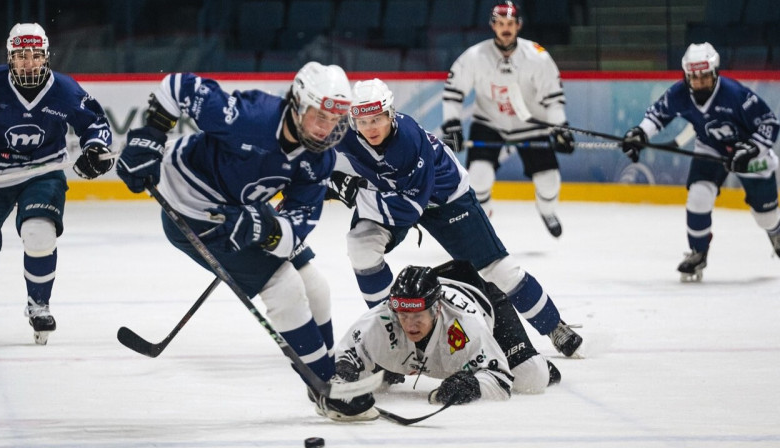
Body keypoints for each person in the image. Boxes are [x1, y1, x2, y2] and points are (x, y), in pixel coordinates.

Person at [115, 62, 351, 385]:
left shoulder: (319, 159)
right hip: (189, 204)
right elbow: (177, 86)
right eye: (320, 116)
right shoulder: (250, 117)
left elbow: (295, 229)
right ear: (297, 104)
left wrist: (265, 229)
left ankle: (329, 368)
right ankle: (325, 384)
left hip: (240, 207)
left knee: (315, 287)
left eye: (335, 119)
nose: (326, 128)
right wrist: (152, 135)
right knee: (285, 287)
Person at [327, 78, 584, 360]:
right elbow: (309, 162)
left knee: (497, 269)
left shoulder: (409, 140)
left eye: (378, 118)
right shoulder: (342, 133)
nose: (370, 128)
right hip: (392, 197)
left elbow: (409, 207)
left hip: (444, 199)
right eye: (363, 122)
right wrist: (332, 180)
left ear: (391, 114)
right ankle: (393, 336)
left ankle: (553, 326)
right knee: (361, 248)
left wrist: (352, 192)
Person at [0, 23, 114, 344]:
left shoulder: (64, 91)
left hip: (44, 173)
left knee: (39, 233)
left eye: (36, 55)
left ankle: (38, 304)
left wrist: (95, 149)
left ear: (46, 57)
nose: (29, 62)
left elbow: (95, 123)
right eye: (22, 56)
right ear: (10, 58)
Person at [314, 260, 560, 422]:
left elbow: (501, 380)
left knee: (531, 378)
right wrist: (341, 376)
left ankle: (533, 359)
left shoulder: (465, 324)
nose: (410, 324)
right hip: (433, 312)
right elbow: (342, 359)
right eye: (403, 315)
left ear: (437, 309)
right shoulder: (380, 319)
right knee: (364, 379)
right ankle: (388, 366)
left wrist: (472, 386)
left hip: (485, 299)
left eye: (418, 316)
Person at [622, 43, 780, 282]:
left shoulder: (736, 94)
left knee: (765, 216)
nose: (699, 83)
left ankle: (775, 231)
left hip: (749, 151)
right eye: (694, 78)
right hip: (711, 149)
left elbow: (769, 123)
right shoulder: (680, 93)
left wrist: (752, 149)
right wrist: (640, 133)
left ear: (715, 73)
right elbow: (658, 114)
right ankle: (698, 252)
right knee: (698, 195)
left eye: (704, 77)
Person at [441, 1, 574, 237]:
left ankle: (547, 210)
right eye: (501, 23)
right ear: (493, 25)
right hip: (490, 122)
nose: (506, 28)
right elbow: (453, 93)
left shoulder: (537, 56)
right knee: (479, 177)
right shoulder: (474, 56)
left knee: (549, 181)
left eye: (510, 24)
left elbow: (553, 98)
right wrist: (452, 124)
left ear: (518, 25)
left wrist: (559, 128)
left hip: (531, 124)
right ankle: (483, 223)